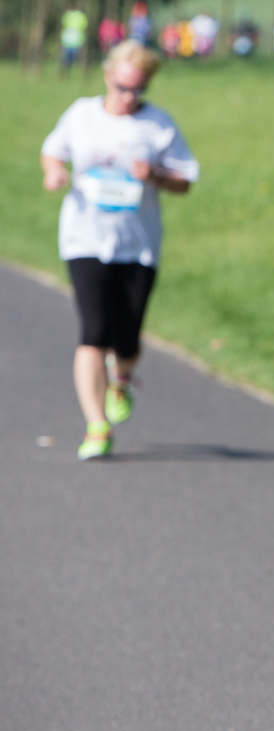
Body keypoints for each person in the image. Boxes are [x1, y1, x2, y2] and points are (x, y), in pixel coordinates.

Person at [40, 40, 201, 460]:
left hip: (137, 243)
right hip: (84, 237)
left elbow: (186, 180)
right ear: (108, 76)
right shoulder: (81, 114)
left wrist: (157, 176)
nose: (129, 97)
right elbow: (52, 150)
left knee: (126, 337)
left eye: (138, 90)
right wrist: (54, 172)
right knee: (93, 332)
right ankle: (97, 426)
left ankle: (123, 376)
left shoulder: (158, 125)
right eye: (123, 87)